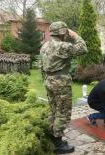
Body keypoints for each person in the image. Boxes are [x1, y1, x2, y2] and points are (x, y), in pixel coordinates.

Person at [40, 21, 87, 154]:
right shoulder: (62, 46)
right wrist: (75, 36)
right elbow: (83, 49)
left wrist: (46, 79)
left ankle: (53, 136)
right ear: (62, 32)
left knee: (53, 110)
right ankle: (58, 144)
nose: (67, 34)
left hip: (49, 80)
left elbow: (41, 66)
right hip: (60, 82)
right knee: (63, 112)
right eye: (65, 32)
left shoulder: (44, 46)